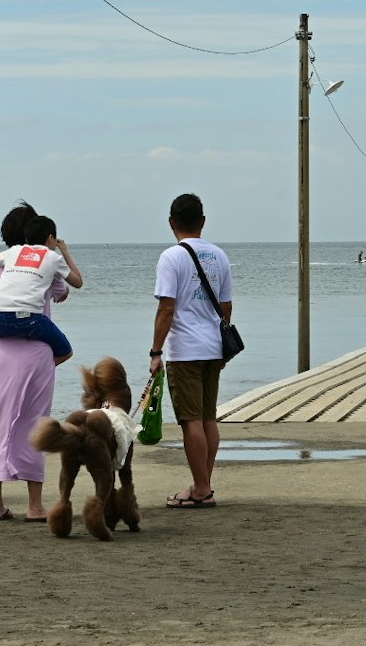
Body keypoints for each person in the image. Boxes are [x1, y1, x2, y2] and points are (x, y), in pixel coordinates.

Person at [0, 201, 70, 521]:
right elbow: (63, 292)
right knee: (35, 421)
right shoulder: (44, 264)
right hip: (38, 350)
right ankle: (35, 506)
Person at [150, 192, 234, 509]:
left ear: (172, 222)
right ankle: (203, 485)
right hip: (214, 347)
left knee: (191, 421)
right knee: (208, 418)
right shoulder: (219, 256)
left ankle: (201, 489)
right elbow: (226, 307)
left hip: (185, 349)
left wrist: (155, 352)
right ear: (202, 222)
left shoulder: (171, 257)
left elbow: (166, 309)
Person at [0, 214, 82, 363]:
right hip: (29, 320)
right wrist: (64, 251)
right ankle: (40, 369)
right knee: (65, 351)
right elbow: (78, 282)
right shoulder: (53, 258)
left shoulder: (15, 252)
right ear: (51, 238)